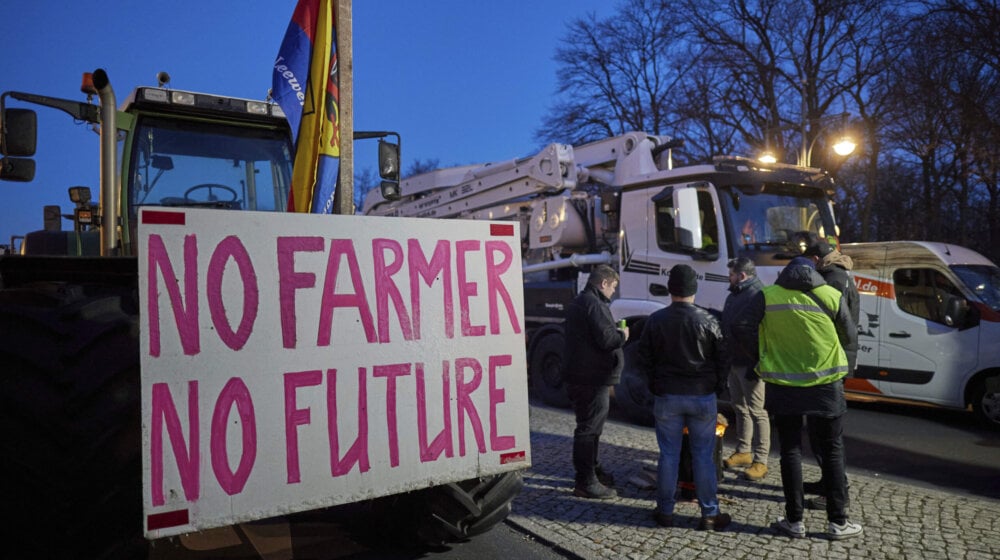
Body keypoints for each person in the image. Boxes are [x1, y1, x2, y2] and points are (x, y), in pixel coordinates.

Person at [733, 256, 863, 540]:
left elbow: (742, 327)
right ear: (813, 272)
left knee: (790, 450)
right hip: (826, 385)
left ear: (785, 273)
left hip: (783, 383)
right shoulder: (830, 293)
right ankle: (838, 522)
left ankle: (794, 521)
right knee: (832, 451)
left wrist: (760, 356)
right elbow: (850, 335)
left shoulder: (768, 295)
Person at [636, 264, 731, 531]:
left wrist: (655, 386)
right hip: (702, 396)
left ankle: (665, 511)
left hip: (667, 395)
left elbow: (644, 359)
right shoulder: (709, 320)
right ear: (694, 289)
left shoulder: (656, 320)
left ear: (670, 289)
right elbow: (723, 359)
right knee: (703, 456)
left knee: (669, 455)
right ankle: (709, 513)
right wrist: (716, 387)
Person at [563, 264, 628, 499]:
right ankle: (586, 481)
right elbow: (607, 339)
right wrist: (623, 335)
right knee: (589, 429)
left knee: (590, 427)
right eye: (613, 287)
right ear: (603, 283)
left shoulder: (583, 301)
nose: (613, 292)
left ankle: (593, 470)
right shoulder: (593, 304)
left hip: (583, 375)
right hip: (591, 378)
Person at [803, 241, 860, 509]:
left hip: (829, 363)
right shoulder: (842, 274)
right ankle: (828, 483)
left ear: (816, 258)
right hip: (838, 361)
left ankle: (835, 493)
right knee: (823, 430)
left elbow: (828, 325)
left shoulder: (831, 280)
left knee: (824, 432)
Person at [720, 257, 770, 481]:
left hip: (750, 363)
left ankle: (761, 460)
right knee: (739, 407)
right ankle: (743, 452)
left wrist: (758, 362)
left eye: (731, 274)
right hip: (735, 360)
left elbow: (764, 332)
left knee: (758, 411)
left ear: (741, 275)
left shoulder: (759, 296)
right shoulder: (735, 295)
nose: (728, 278)